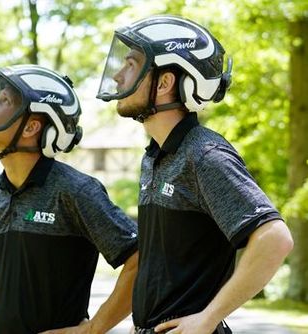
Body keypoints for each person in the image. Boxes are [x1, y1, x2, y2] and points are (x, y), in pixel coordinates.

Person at [97, 15, 293, 334]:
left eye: (131, 65)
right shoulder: (155, 157)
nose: (118, 76)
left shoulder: (204, 154)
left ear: (164, 83)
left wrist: (209, 317)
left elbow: (275, 238)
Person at [0, 64, 139, 334]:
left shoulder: (76, 191)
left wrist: (93, 329)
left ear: (32, 126)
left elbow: (139, 259)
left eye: (5, 100)